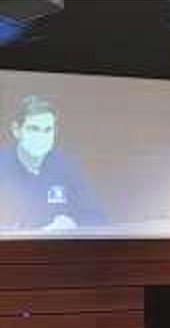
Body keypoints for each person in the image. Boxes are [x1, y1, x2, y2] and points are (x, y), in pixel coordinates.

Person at [0, 95, 105, 231]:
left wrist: (73, 224)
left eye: (48, 130)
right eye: (34, 129)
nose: (41, 137)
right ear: (16, 130)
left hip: (55, 243)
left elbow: (96, 216)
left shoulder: (67, 166)